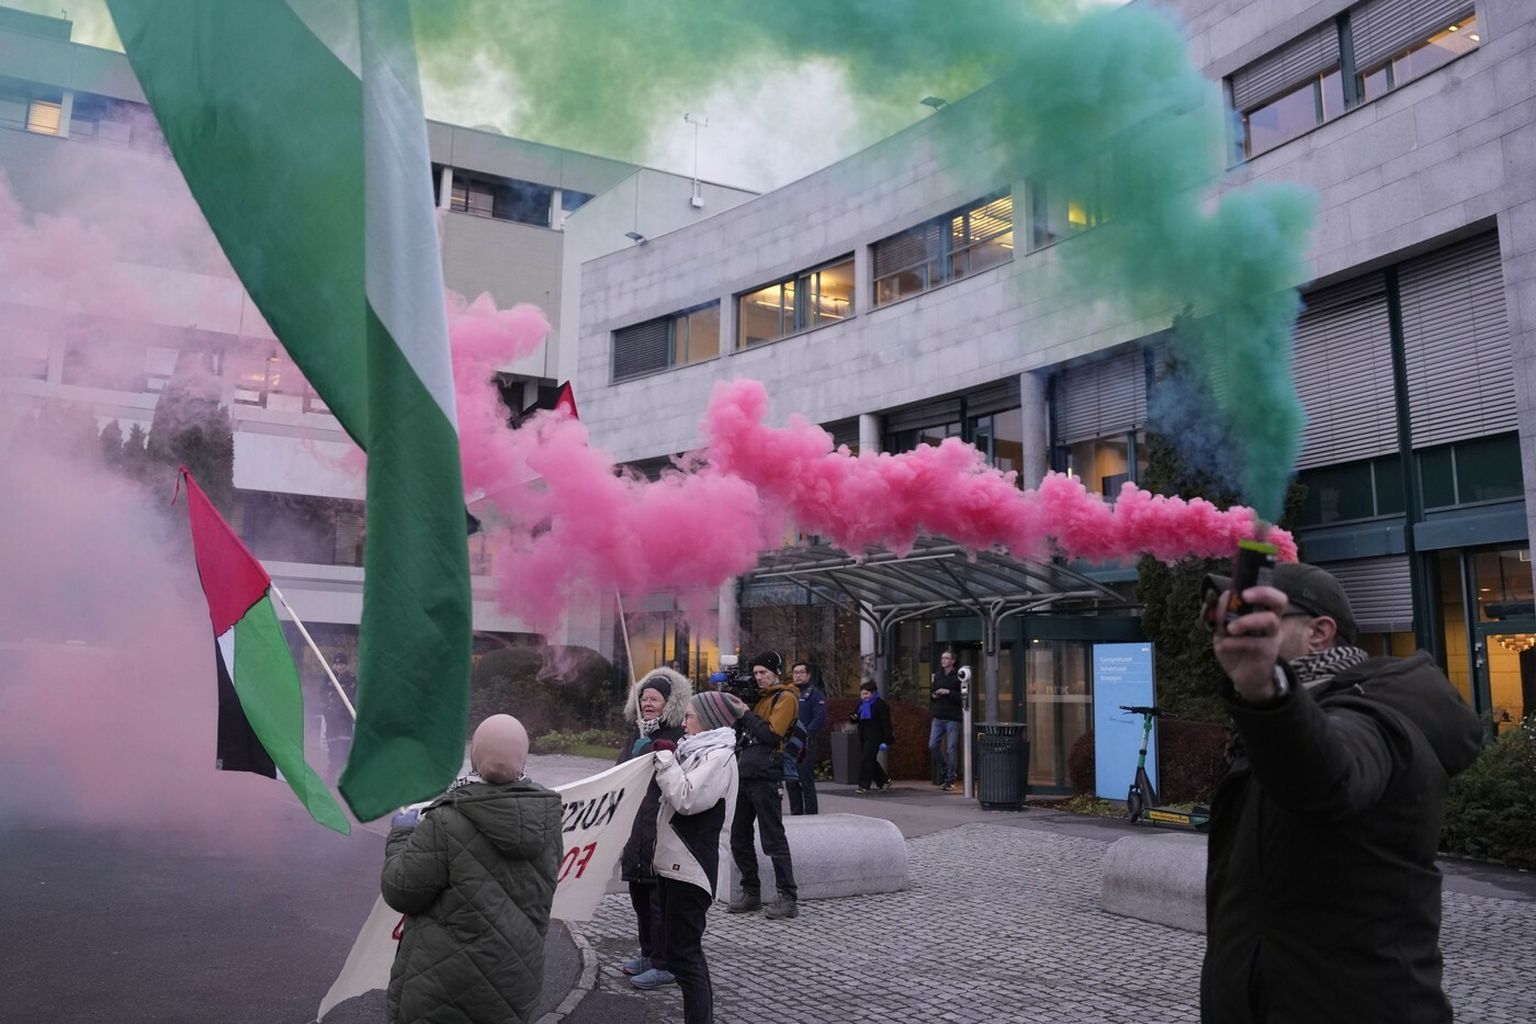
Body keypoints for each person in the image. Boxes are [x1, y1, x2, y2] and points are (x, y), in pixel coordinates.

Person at [1201, 561, 1482, 1024]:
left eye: (1261, 617)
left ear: (1319, 632)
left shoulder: (1375, 719)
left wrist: (1267, 690)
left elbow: (1326, 779)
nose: (1236, 629)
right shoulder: (1279, 718)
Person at [380, 714, 561, 1024]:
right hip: (513, 983)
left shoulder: (445, 820)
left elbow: (401, 890)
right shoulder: (548, 818)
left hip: (443, 987)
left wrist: (401, 835)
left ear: (475, 756)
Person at [650, 690, 743, 1024]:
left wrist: (665, 760)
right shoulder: (698, 750)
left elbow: (687, 798)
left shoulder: (719, 757)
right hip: (675, 866)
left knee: (685, 957)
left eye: (689, 716)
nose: (684, 722)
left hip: (692, 869)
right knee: (680, 955)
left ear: (708, 720)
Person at [614, 667, 691, 991]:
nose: (647, 704)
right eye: (644, 698)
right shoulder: (636, 731)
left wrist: (649, 749)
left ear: (667, 704)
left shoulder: (677, 734)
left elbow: (673, 774)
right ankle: (647, 954)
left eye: (654, 699)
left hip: (660, 827)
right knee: (639, 896)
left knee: (659, 901)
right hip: (636, 826)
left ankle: (664, 963)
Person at [726, 650, 801, 919]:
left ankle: (788, 898)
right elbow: (740, 733)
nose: (758, 677)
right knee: (739, 837)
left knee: (773, 839)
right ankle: (751, 893)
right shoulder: (757, 698)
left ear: (776, 672)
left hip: (766, 775)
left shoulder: (786, 697)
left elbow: (771, 735)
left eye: (763, 672)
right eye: (756, 672)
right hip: (744, 773)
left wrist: (745, 713)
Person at [786, 660, 828, 815]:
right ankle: (796, 814)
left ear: (808, 675)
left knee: (805, 780)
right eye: (795, 673)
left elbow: (820, 718)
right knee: (791, 781)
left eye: (801, 672)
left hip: (805, 743)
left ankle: (811, 815)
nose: (797, 675)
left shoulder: (815, 694)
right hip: (788, 743)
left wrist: (804, 733)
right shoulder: (788, 694)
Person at [849, 679, 893, 794]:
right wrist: (853, 717)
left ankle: (863, 785)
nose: (864, 696)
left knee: (866, 760)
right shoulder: (862, 704)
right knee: (870, 759)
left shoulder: (881, 705)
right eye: (862, 694)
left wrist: (887, 739)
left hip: (875, 736)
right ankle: (884, 780)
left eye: (867, 694)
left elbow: (886, 723)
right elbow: (855, 717)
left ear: (873, 693)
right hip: (863, 735)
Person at [928, 648, 963, 792]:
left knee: (951, 748)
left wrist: (948, 692)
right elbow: (932, 692)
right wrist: (934, 695)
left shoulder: (958, 676)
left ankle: (950, 778)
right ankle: (944, 767)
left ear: (953, 661)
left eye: (947, 658)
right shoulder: (938, 675)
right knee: (932, 745)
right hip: (938, 716)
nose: (943, 660)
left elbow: (963, 697)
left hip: (952, 718)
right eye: (942, 658)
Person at [319, 651, 358, 779]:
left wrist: (333, 696)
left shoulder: (351, 678)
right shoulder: (329, 677)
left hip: (344, 719)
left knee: (344, 747)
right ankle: (331, 774)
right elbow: (322, 693)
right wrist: (326, 708)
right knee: (332, 746)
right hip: (331, 719)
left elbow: (349, 696)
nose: (339, 667)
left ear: (346, 665)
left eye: (342, 664)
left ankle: (344, 776)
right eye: (337, 664)